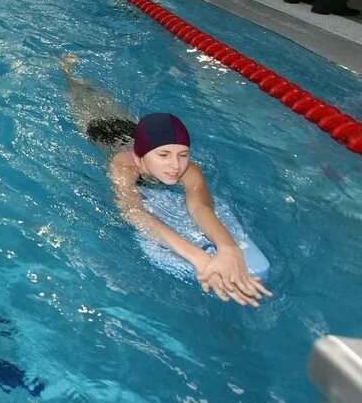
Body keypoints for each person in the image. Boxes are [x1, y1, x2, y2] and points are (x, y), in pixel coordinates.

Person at [60, 56, 273, 307]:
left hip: (130, 128)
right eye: (164, 156)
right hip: (95, 127)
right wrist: (198, 258)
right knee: (80, 94)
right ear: (141, 157)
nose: (175, 165)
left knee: (112, 104)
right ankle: (67, 72)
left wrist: (227, 247)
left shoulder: (189, 170)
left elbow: (200, 207)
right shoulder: (123, 164)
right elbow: (133, 211)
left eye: (183, 155)